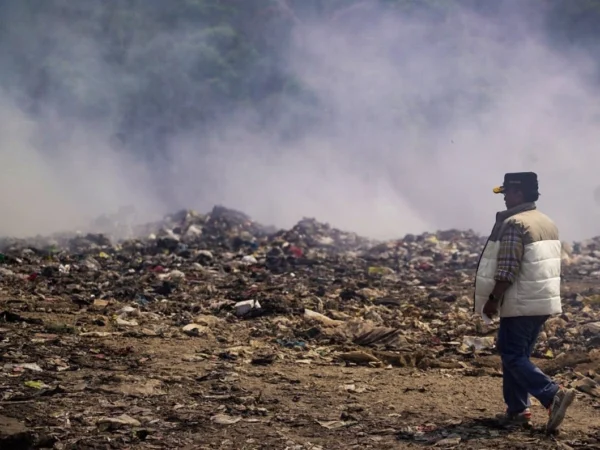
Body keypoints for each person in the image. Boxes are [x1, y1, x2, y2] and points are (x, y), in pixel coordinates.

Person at [474, 172, 576, 433]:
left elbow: (508, 268)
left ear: (518, 193)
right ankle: (518, 410)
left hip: (520, 303)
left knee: (511, 355)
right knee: (517, 356)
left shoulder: (515, 224)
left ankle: (551, 393)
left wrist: (493, 300)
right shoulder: (546, 222)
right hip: (542, 302)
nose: (505, 197)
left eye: (507, 192)